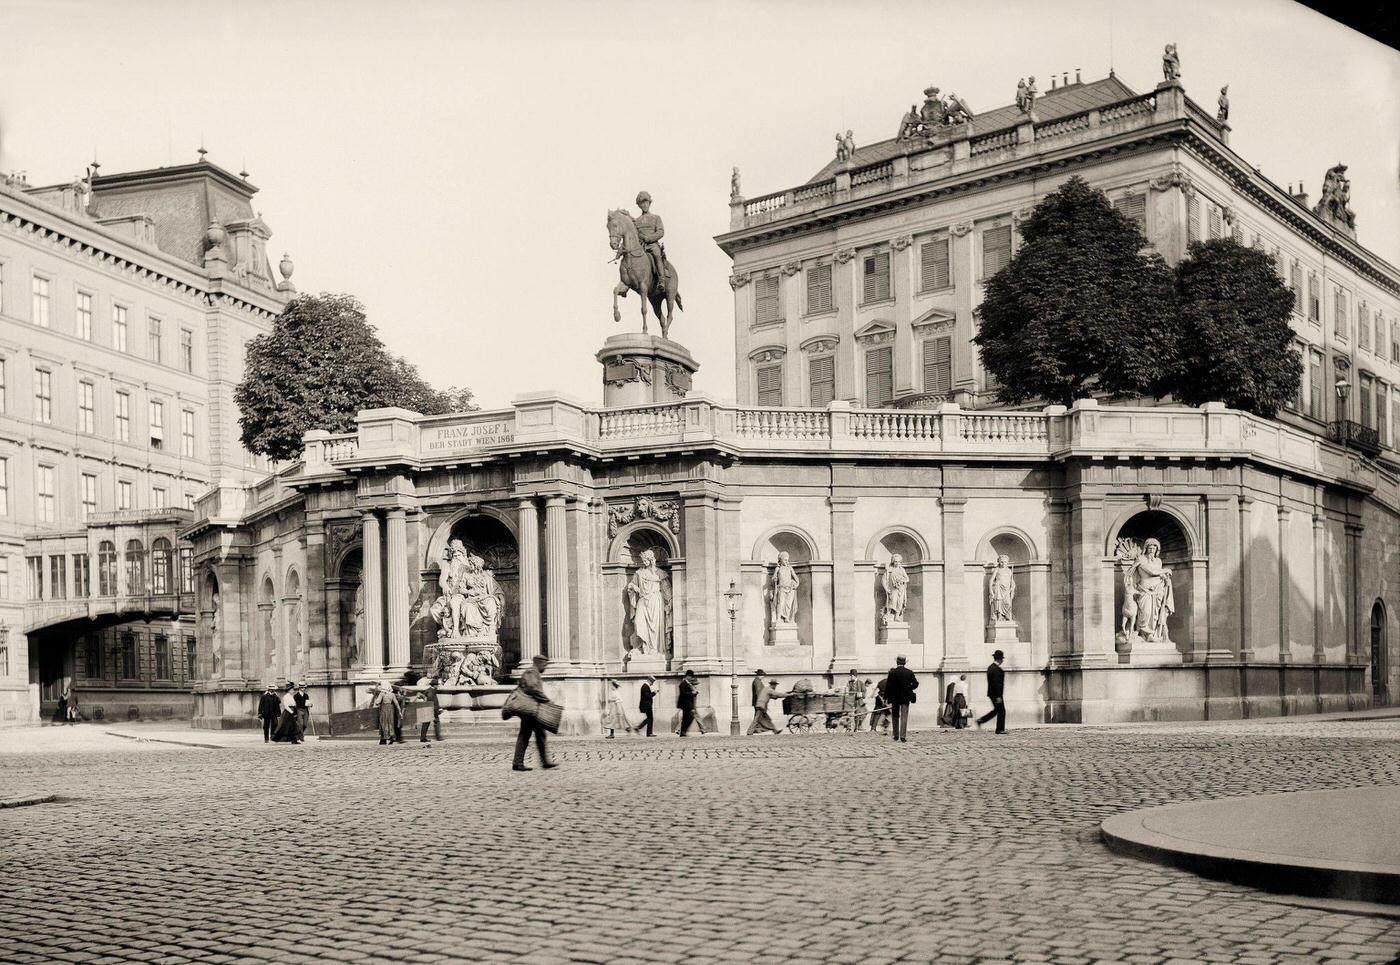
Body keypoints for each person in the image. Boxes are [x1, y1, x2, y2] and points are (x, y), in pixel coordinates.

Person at [513, 655, 557, 771]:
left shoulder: (533, 672)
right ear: (539, 663)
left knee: (538, 735)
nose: (545, 667)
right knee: (526, 735)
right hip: (530, 710)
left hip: (532, 710)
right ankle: (518, 762)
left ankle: (543, 762)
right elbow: (533, 689)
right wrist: (546, 700)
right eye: (544, 665)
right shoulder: (532, 672)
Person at [633, 191, 668, 288]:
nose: (644, 205)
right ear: (639, 205)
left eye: (646, 202)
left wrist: (648, 238)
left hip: (652, 244)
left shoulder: (656, 218)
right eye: (641, 203)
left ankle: (662, 280)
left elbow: (661, 232)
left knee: (657, 255)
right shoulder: (636, 221)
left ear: (649, 203)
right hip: (640, 246)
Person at [884, 656, 919, 743]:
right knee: (904, 716)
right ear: (905, 663)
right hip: (905, 697)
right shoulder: (909, 672)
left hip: (895, 697)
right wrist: (909, 687)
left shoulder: (892, 673)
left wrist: (886, 698)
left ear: (897, 662)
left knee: (895, 716)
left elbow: (888, 687)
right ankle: (903, 736)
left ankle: (896, 735)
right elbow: (916, 684)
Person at [976, 650, 1007, 734]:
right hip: (996, 694)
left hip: (993, 693)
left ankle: (981, 720)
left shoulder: (991, 667)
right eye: (1002, 659)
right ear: (1000, 659)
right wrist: (998, 696)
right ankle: (1000, 729)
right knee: (1001, 710)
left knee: (997, 710)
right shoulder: (995, 669)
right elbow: (996, 683)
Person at [675, 668, 707, 736]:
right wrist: (692, 693)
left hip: (688, 704)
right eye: (691, 677)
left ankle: (682, 732)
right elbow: (684, 694)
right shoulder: (683, 684)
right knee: (687, 718)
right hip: (686, 704)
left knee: (686, 718)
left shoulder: (688, 683)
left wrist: (694, 693)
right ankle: (682, 731)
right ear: (688, 676)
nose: (691, 678)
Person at [371, 681, 401, 746]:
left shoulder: (382, 694)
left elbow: (377, 702)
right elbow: (396, 704)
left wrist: (375, 698)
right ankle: (392, 737)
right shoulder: (392, 694)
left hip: (384, 709)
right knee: (390, 722)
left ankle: (384, 738)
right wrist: (400, 712)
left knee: (384, 723)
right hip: (391, 709)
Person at [419, 677, 443, 743]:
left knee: (426, 723)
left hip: (428, 709)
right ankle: (437, 737)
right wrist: (437, 710)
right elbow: (433, 702)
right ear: (434, 685)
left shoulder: (428, 690)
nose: (437, 686)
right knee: (435, 722)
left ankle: (423, 737)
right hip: (431, 710)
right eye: (437, 685)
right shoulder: (432, 691)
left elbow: (422, 696)